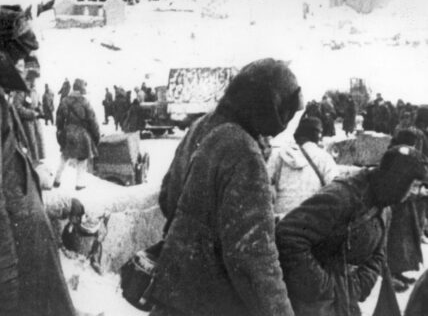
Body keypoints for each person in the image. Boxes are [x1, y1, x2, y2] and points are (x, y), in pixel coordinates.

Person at [150, 58, 303, 316]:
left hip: (175, 289)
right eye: (285, 112)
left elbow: (167, 197)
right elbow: (254, 256)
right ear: (268, 105)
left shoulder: (201, 127)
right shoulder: (243, 151)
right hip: (213, 300)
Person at [276, 145, 427, 316]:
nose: (414, 193)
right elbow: (288, 234)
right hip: (312, 305)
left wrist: (358, 287)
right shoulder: (342, 196)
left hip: (344, 301)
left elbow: (378, 255)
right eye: (413, 185)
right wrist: (323, 287)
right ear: (397, 180)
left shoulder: (384, 207)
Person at [0, 5, 75, 315]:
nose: (23, 64)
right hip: (15, 254)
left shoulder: (5, 101)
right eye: (18, 55)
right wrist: (7, 273)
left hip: (27, 245)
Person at [268, 116, 338, 218]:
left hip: (281, 216)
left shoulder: (280, 154)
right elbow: (334, 190)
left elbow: (265, 180)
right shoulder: (324, 157)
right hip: (309, 216)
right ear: (317, 135)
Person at [387, 128, 428, 292]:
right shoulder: (404, 154)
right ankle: (391, 275)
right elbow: (419, 174)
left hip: (402, 202)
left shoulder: (394, 152)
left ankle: (397, 272)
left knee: (403, 239)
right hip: (398, 202)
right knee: (397, 240)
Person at [54, 78, 100, 190]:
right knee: (82, 159)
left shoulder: (64, 100)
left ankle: (57, 179)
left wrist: (60, 132)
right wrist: (96, 136)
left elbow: (59, 119)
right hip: (82, 134)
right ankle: (79, 184)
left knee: (64, 156)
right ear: (81, 89)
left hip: (68, 132)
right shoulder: (85, 102)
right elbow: (93, 121)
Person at [12, 68, 45, 165]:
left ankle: (36, 160)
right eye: (33, 79)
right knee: (29, 142)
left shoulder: (35, 91)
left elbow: (38, 103)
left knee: (37, 141)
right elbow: (17, 107)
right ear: (29, 79)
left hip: (35, 121)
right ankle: (30, 162)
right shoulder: (22, 91)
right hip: (26, 122)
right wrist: (31, 113)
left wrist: (40, 109)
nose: (34, 81)